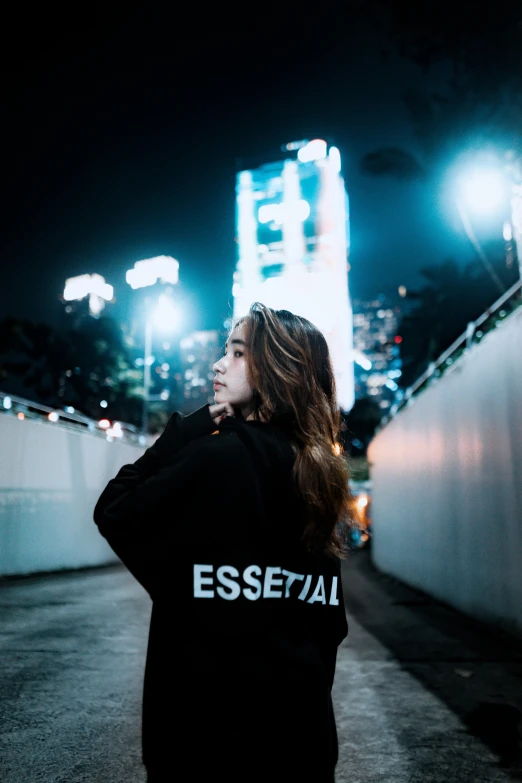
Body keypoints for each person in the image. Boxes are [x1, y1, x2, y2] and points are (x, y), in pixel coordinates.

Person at [93, 302, 353, 783]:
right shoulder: (318, 472)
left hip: (205, 741)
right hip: (302, 740)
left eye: (237, 353)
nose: (218, 363)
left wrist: (183, 431)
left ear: (279, 369)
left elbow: (114, 509)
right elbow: (328, 624)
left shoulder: (216, 457)